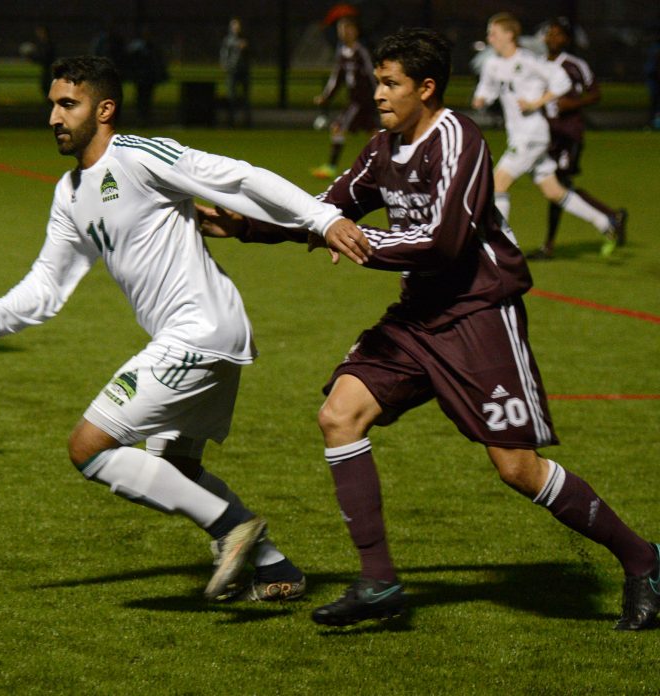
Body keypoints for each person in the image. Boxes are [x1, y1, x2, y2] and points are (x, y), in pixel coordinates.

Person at [199, 28, 659, 630]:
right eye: (378, 82)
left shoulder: (459, 139)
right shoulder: (380, 148)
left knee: (517, 468)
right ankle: (379, 583)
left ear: (426, 87)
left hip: (477, 313)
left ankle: (643, 559)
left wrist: (359, 240)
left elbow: (445, 243)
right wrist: (247, 226)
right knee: (340, 414)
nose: (380, 93)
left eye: (391, 84)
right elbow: (325, 212)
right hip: (417, 319)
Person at [0, 55, 349, 601]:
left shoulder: (138, 156)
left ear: (104, 110)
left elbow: (238, 177)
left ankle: (232, 529)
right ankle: (277, 569)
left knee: (88, 447)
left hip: (197, 332)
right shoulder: (70, 193)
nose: (54, 118)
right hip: (202, 337)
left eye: (68, 105)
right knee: (175, 465)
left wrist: (324, 217)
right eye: (52, 105)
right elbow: (46, 285)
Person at [472, 13, 625, 258]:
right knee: (553, 191)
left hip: (532, 134)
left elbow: (562, 81)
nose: (489, 37)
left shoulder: (530, 61)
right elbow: (487, 88)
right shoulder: (493, 64)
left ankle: (500, 249)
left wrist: (538, 102)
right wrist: (481, 99)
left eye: (494, 33)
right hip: (518, 136)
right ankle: (605, 223)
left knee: (497, 184)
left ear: (509, 35)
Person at [527, 18, 627, 260]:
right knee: (560, 187)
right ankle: (612, 217)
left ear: (567, 39)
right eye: (549, 34)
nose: (552, 38)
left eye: (558, 35)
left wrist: (572, 103)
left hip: (568, 134)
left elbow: (595, 94)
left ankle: (549, 246)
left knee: (558, 186)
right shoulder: (537, 65)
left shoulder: (574, 65)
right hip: (546, 135)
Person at [310, 16, 378, 179]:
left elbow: (372, 74)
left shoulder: (361, 52)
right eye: (341, 30)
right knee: (375, 134)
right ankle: (389, 164)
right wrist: (326, 96)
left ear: (355, 31)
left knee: (338, 127)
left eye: (347, 29)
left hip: (361, 101)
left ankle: (330, 167)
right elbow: (337, 78)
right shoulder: (342, 52)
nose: (344, 33)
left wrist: (379, 95)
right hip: (356, 101)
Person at [219, 17, 251, 127]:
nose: (236, 28)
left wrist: (245, 47)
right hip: (232, 71)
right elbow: (224, 53)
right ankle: (231, 121)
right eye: (234, 26)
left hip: (243, 71)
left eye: (238, 26)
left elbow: (251, 53)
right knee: (231, 97)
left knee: (246, 97)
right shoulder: (228, 40)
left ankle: (247, 121)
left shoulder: (245, 39)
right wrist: (224, 64)